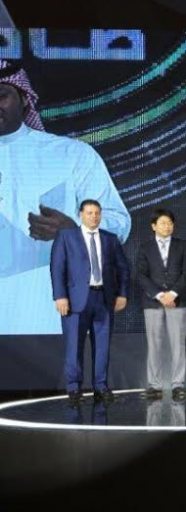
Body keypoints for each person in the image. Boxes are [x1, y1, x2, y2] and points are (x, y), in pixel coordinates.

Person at [0, 61, 130, 335]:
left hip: (45, 315)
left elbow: (118, 222)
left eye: (1, 95)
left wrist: (75, 231)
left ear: (23, 99)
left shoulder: (70, 154)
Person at [50, 199, 130, 404]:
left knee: (102, 346)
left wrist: (122, 294)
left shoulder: (110, 239)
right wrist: (60, 296)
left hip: (104, 298)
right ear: (80, 215)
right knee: (74, 346)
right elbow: (57, 268)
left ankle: (101, 386)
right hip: (75, 300)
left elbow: (123, 268)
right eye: (89, 213)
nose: (94, 217)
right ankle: (74, 388)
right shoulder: (66, 236)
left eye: (97, 213)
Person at [137, 208, 186, 402]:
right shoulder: (145, 247)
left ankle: (178, 385)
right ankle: (155, 385)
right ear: (153, 226)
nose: (167, 226)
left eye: (170, 223)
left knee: (178, 344)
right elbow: (141, 275)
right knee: (154, 344)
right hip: (153, 302)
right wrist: (160, 295)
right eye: (163, 223)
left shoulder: (183, 245)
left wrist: (173, 293)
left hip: (177, 301)